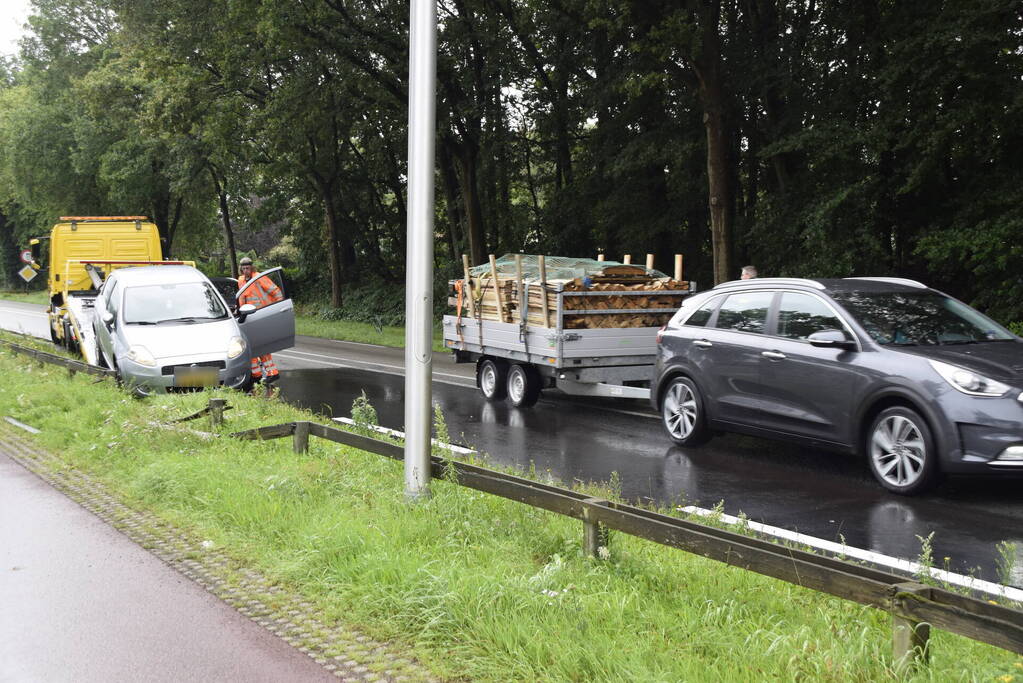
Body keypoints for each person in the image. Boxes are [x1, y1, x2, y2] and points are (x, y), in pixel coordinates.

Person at [237, 257, 283, 384]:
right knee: (249, 347)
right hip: (247, 316)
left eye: (248, 268)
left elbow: (276, 292)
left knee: (261, 346)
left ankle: (272, 373)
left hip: (261, 315)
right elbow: (241, 297)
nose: (246, 270)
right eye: (244, 268)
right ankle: (256, 374)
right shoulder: (240, 280)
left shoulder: (259, 277)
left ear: (252, 267)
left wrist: (277, 309)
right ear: (241, 268)